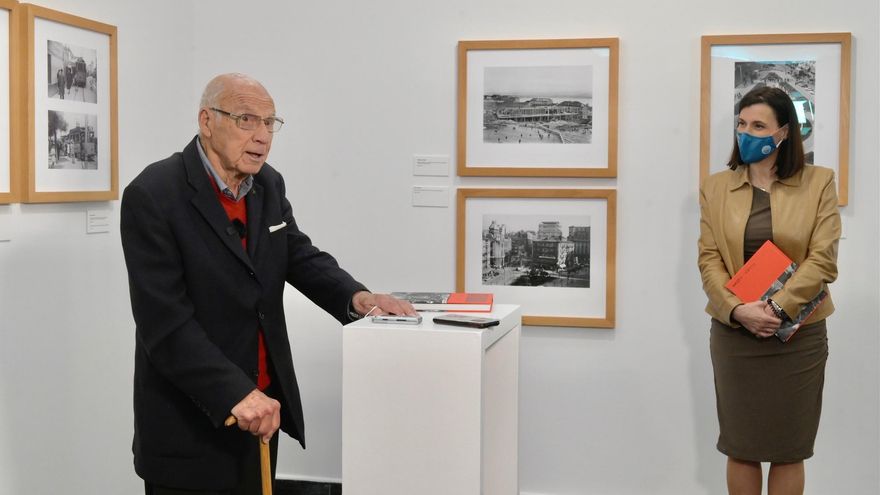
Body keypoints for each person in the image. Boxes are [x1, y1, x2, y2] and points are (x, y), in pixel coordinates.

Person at [120, 73, 416, 495]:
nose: (262, 136)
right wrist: (236, 392)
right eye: (246, 120)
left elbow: (296, 252)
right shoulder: (153, 194)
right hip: (191, 423)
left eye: (270, 123)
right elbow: (164, 324)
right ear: (206, 121)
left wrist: (357, 297)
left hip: (261, 414)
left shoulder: (268, 184)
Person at [697, 86, 840, 495]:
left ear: (783, 134)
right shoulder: (716, 187)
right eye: (741, 124)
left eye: (758, 125)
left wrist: (777, 307)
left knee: (787, 448)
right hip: (735, 332)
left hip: (798, 334)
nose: (747, 133)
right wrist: (739, 310)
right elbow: (709, 260)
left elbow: (823, 258)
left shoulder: (819, 182)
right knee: (740, 446)